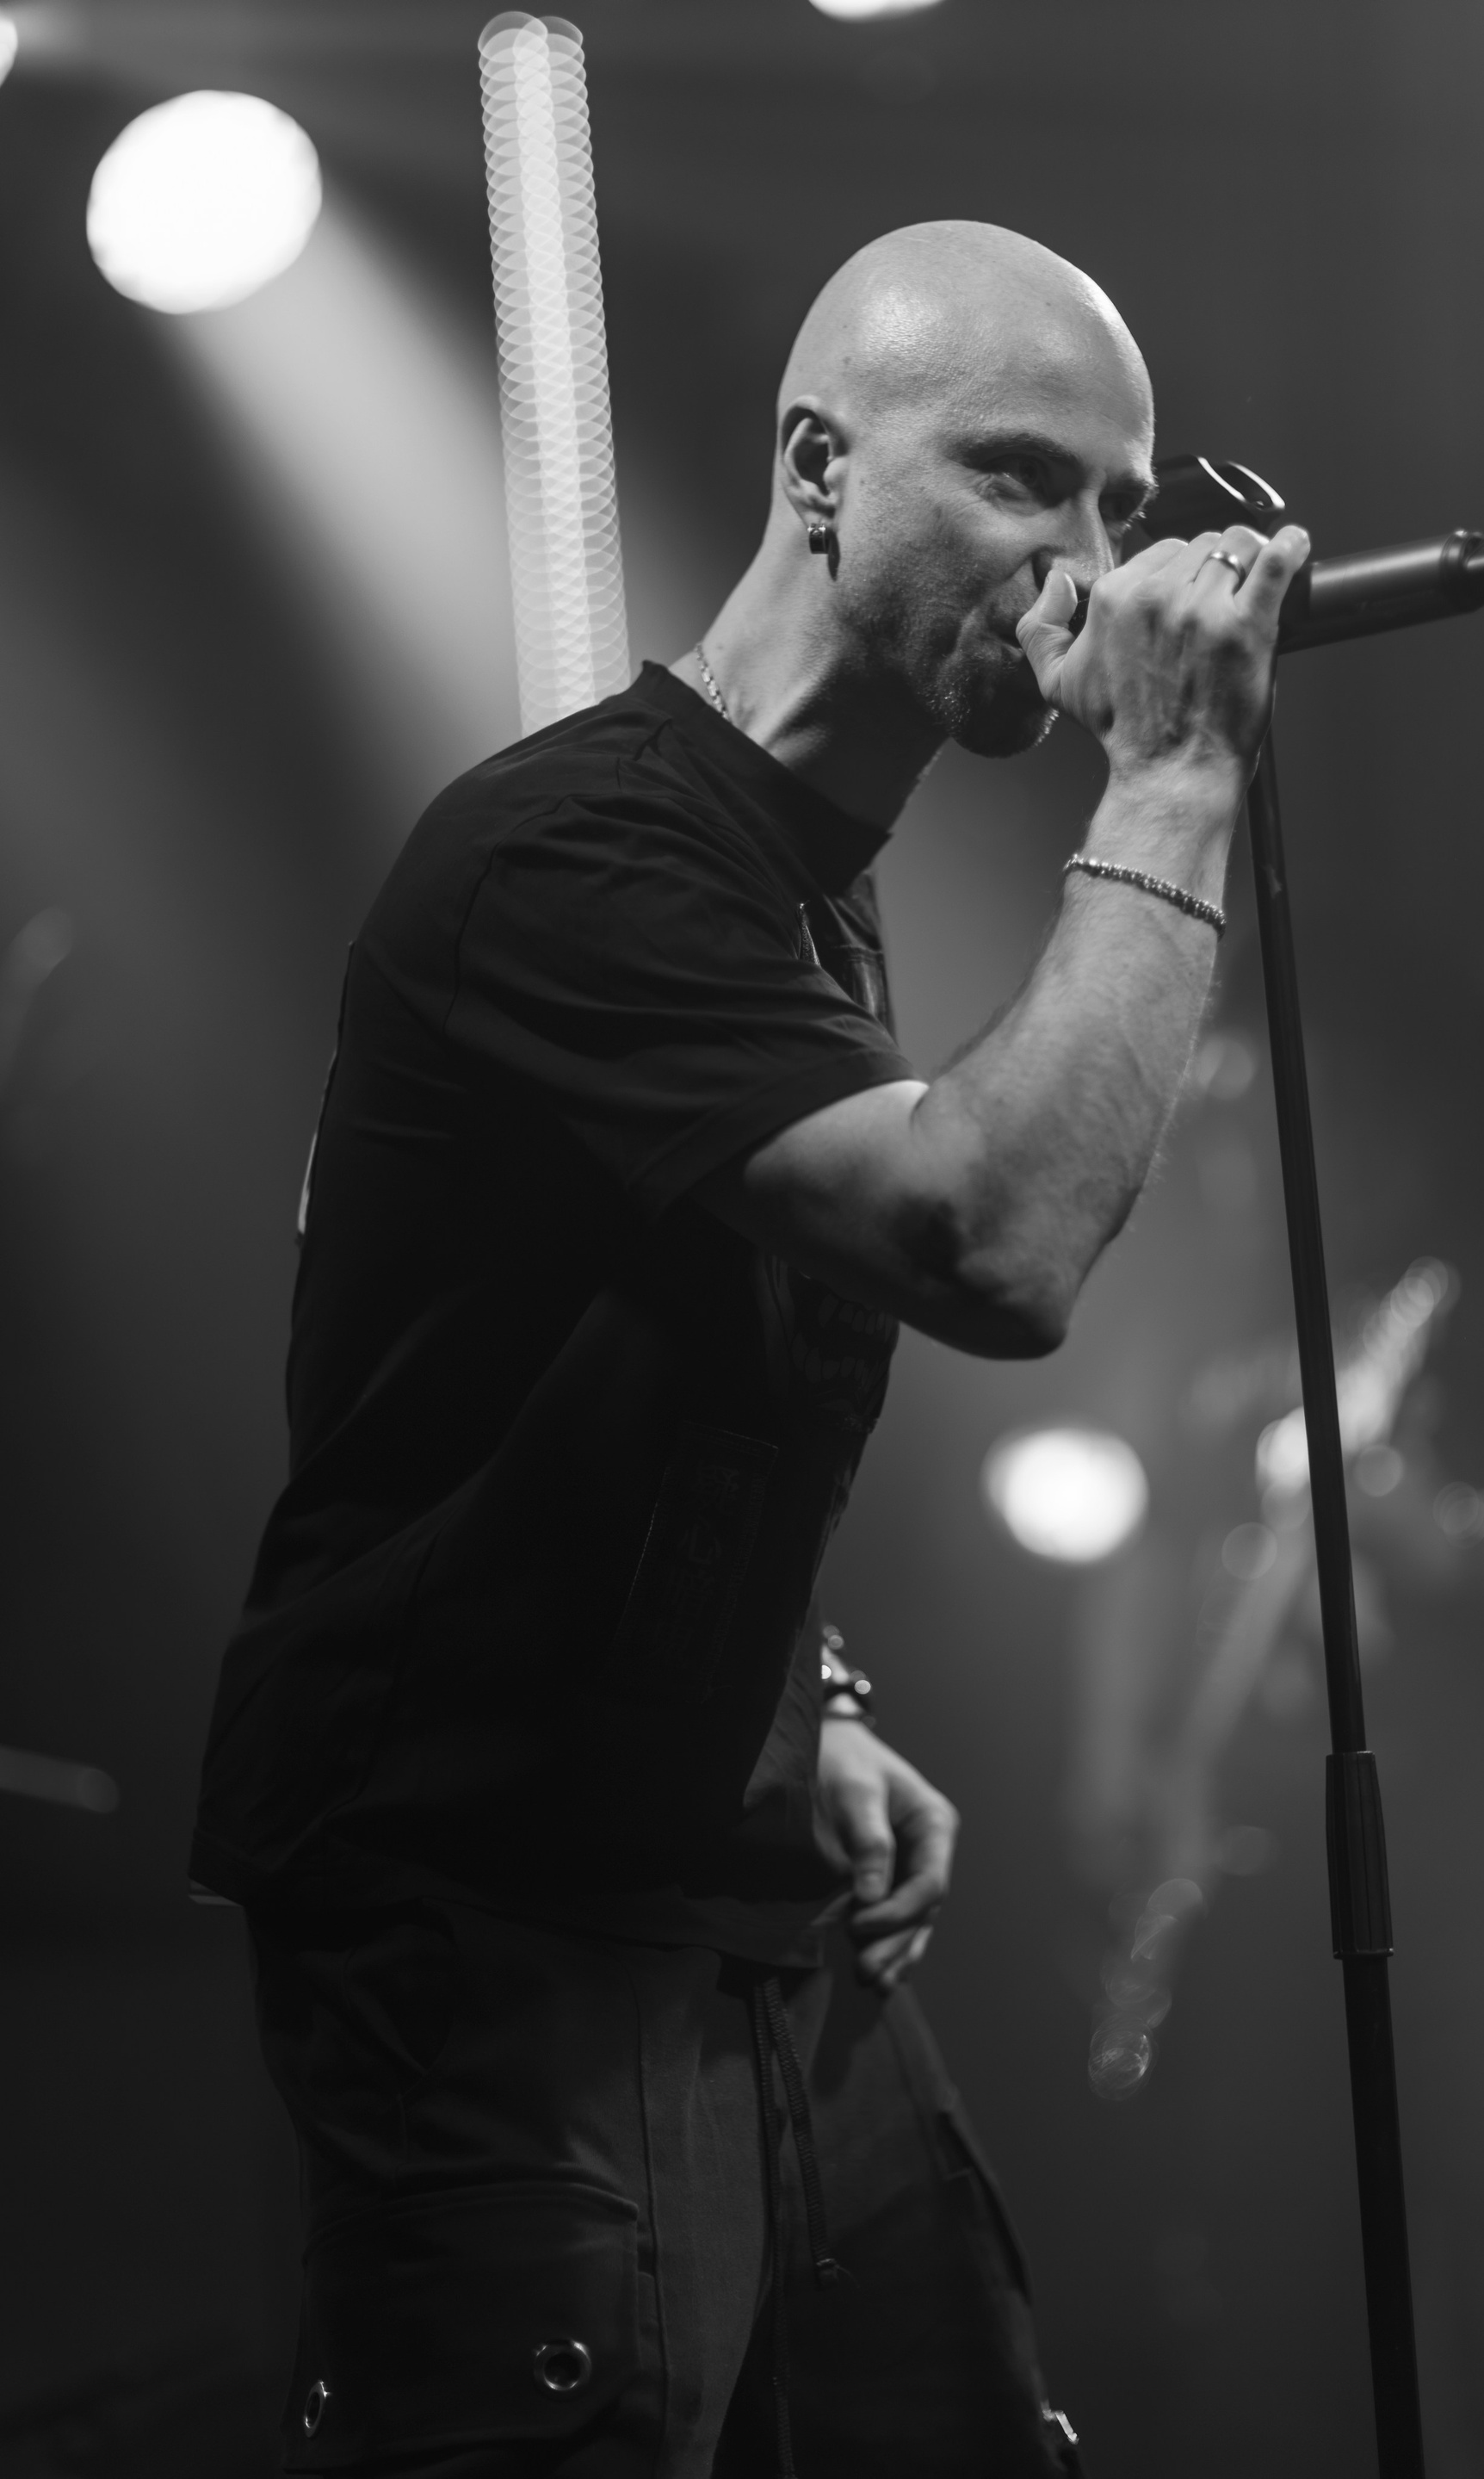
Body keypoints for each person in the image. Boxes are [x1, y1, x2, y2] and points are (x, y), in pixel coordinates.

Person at [190, 220, 1309, 2479]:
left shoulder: (811, 880)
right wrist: (1176, 787)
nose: (1095, 563)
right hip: (499, 1933)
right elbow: (992, 1240)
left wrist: (813, 1698)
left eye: (1121, 502)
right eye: (1022, 477)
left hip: (731, 1902)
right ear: (818, 469)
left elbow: (635, 1360)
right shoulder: (575, 854)